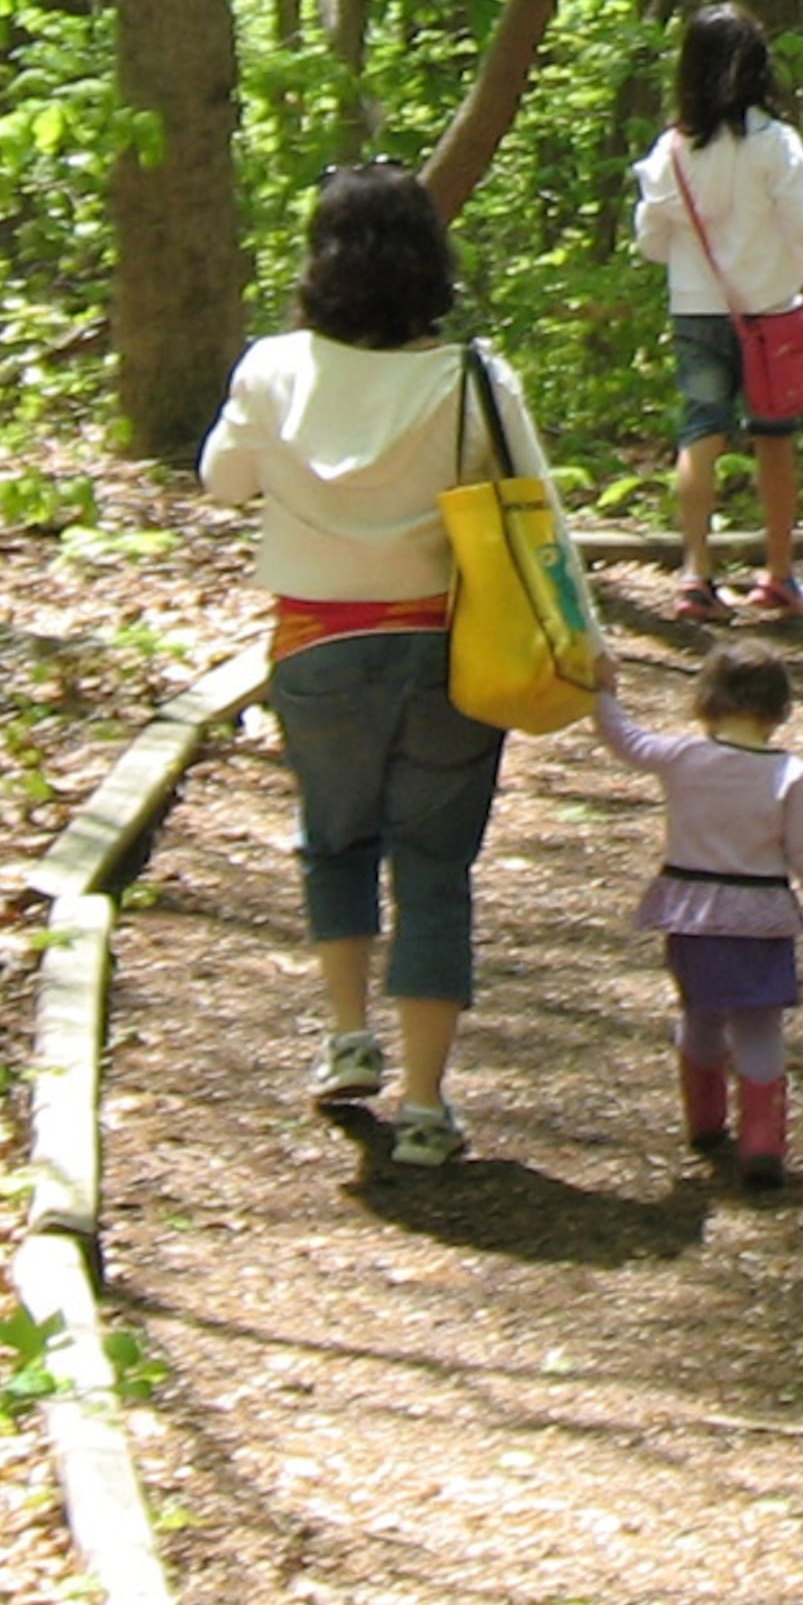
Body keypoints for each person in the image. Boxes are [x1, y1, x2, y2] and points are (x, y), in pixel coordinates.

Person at [198, 163, 553, 1168]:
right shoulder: (473, 377)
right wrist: (589, 642)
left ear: (323, 260)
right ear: (429, 263)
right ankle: (430, 1105)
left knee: (335, 841)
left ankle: (347, 1038)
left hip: (316, 645)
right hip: (451, 646)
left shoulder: (272, 369)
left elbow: (220, 484)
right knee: (436, 868)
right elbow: (538, 508)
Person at [584, 641, 803, 1187]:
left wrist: (601, 690)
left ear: (706, 699)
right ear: (780, 708)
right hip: (761, 916)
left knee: (701, 1012)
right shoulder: (787, 773)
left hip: (692, 910)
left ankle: (705, 1121)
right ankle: (762, 1141)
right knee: (759, 1023)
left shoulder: (682, 757)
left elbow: (623, 739)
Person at [632, 4, 803, 623]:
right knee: (775, 439)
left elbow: (650, 243)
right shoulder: (775, 144)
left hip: (696, 308)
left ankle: (696, 575)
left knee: (701, 433)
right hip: (769, 310)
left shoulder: (672, 150)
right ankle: (778, 574)